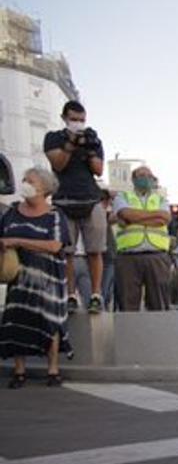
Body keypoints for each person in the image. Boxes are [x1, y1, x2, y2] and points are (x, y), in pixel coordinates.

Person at [0, 168, 72, 388]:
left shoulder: (54, 215)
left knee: (50, 321)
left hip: (48, 277)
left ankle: (53, 369)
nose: (24, 184)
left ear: (43, 188)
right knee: (18, 320)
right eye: (24, 180)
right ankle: (19, 371)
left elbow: (55, 245)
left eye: (29, 181)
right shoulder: (11, 212)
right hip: (19, 277)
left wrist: (18, 241)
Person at [43, 100, 106, 314]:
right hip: (64, 199)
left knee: (95, 250)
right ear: (64, 118)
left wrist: (88, 148)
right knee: (67, 251)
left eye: (81, 120)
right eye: (73, 119)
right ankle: (71, 294)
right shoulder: (53, 138)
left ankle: (96, 294)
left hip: (90, 198)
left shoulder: (92, 139)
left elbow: (98, 170)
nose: (78, 124)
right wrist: (70, 144)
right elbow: (58, 163)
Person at [112, 166, 172, 311]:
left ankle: (157, 333)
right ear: (133, 179)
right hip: (128, 257)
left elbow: (164, 218)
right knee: (127, 303)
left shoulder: (161, 199)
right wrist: (152, 216)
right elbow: (124, 213)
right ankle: (129, 333)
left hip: (156, 256)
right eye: (141, 175)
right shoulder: (122, 197)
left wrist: (133, 218)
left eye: (148, 176)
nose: (145, 178)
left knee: (159, 304)